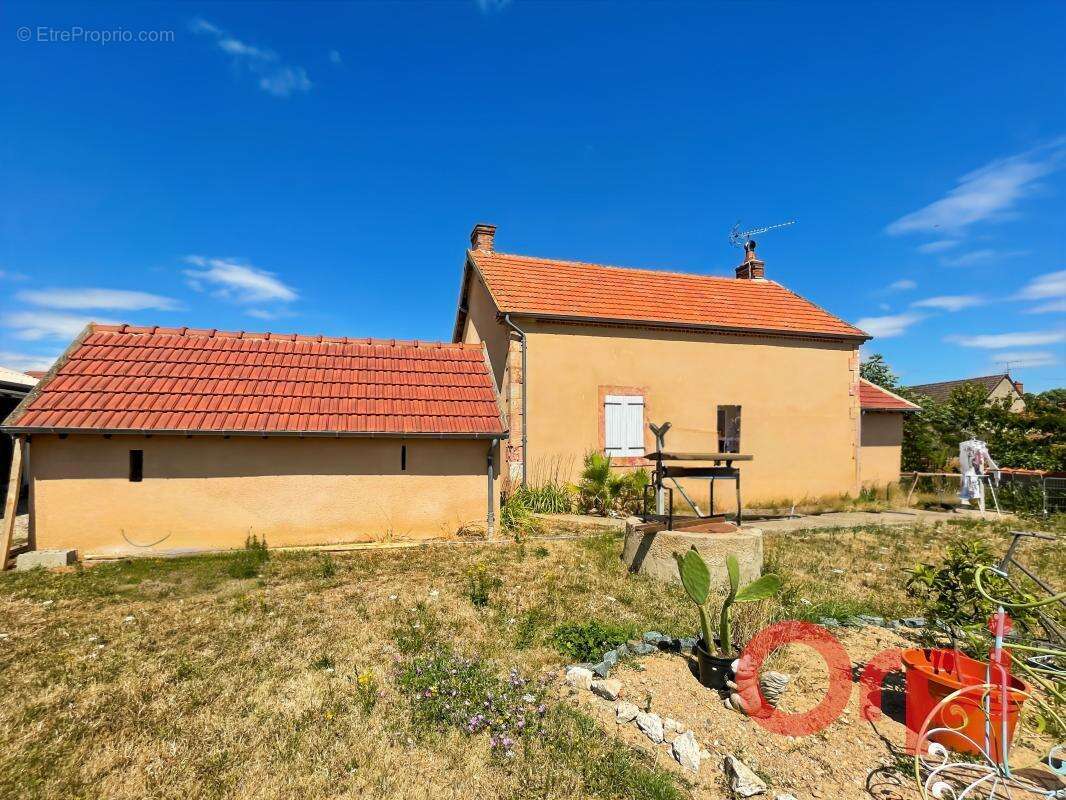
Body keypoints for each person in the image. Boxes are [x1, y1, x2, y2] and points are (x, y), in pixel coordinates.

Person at [958, 433, 999, 512]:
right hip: (970, 470)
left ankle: (974, 500)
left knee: (972, 481)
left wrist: (995, 472)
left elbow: (988, 459)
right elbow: (963, 462)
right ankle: (970, 499)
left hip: (976, 471)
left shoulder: (981, 447)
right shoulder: (965, 446)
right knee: (969, 479)